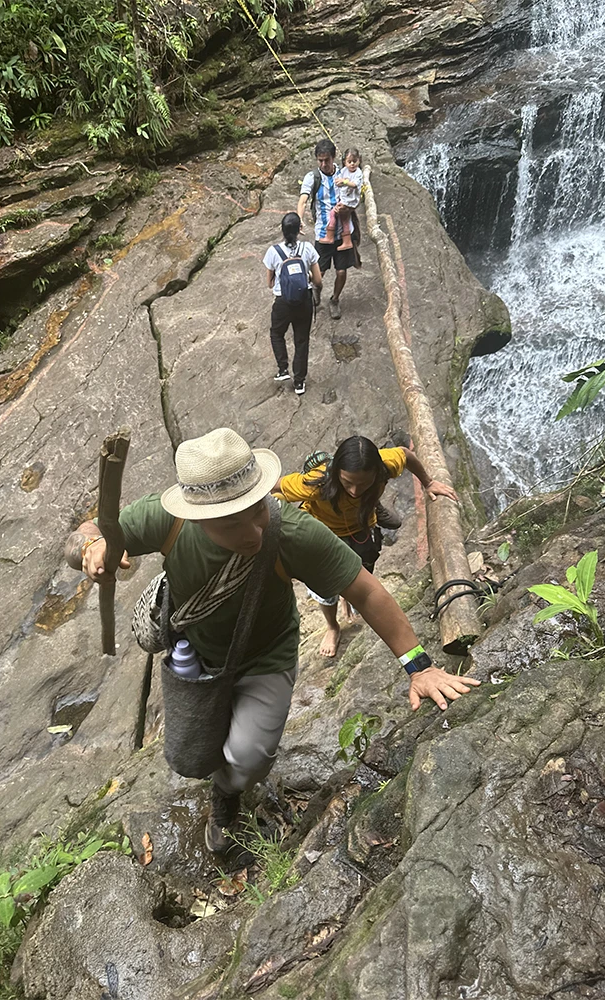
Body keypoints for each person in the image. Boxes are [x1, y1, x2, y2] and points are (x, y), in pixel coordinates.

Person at [65, 428, 478, 854]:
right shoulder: (167, 520)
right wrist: (91, 548)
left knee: (249, 759)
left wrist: (420, 667)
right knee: (192, 755)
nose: (252, 532)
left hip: (267, 655)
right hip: (197, 654)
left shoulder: (292, 532)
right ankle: (219, 779)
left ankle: (227, 797)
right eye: (231, 522)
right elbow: (83, 535)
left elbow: (367, 591)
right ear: (195, 515)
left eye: (255, 510)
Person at [276, 436, 458, 657]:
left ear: (376, 473)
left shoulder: (385, 464)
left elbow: (406, 453)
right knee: (323, 589)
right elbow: (275, 487)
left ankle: (348, 593)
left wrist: (429, 482)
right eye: (347, 482)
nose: (354, 490)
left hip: (361, 525)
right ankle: (333, 627)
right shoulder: (316, 482)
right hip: (323, 533)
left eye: (363, 483)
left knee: (360, 571)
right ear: (336, 474)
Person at [297, 137, 357, 321]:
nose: (323, 164)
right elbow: (303, 199)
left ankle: (335, 299)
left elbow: (356, 193)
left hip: (344, 231)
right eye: (320, 160)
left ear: (333, 158)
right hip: (323, 233)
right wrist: (299, 217)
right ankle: (317, 288)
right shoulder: (312, 177)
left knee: (341, 271)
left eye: (327, 160)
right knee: (319, 273)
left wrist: (349, 207)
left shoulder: (345, 174)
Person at [263, 211, 322, 396]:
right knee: (302, 340)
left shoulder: (274, 252)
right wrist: (309, 276)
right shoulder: (308, 249)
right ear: (299, 230)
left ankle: (283, 369)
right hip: (304, 300)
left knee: (276, 333)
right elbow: (318, 281)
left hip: (283, 302)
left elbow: (269, 283)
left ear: (282, 230)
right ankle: (299, 383)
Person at [319, 147, 363, 252]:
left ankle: (330, 236)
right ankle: (347, 241)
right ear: (345, 162)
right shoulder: (343, 171)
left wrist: (344, 182)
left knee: (333, 213)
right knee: (344, 219)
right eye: (349, 162)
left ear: (359, 161)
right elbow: (338, 180)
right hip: (344, 199)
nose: (352, 164)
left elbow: (354, 184)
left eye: (354, 161)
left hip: (351, 201)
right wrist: (339, 182)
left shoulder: (358, 173)